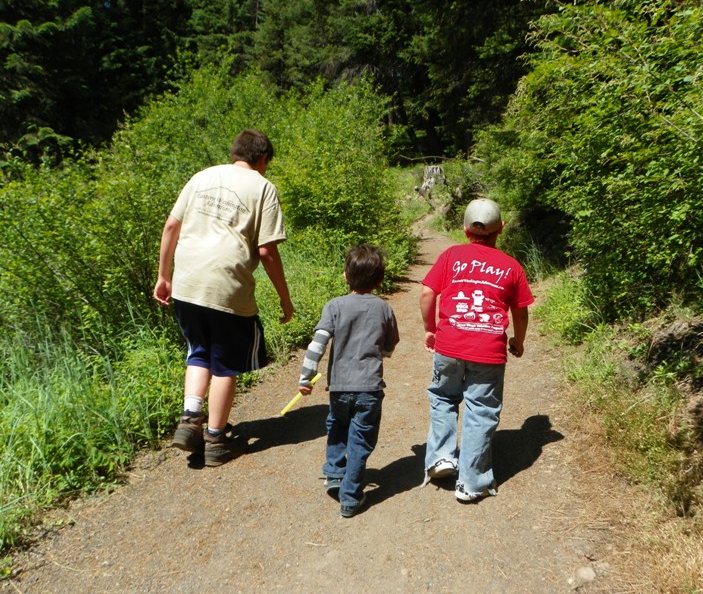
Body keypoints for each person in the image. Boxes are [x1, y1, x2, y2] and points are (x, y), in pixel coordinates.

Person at [154, 129, 294, 467]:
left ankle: (190, 421)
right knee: (225, 363)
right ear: (262, 159)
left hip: (187, 282)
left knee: (198, 351)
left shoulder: (202, 176)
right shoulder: (263, 187)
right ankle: (215, 440)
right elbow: (266, 251)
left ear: (235, 152)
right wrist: (284, 299)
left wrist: (163, 275)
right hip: (226, 285)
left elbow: (171, 227)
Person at [419, 198, 535, 501]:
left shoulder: (451, 256)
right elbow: (520, 311)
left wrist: (430, 328)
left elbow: (427, 292)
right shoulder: (511, 266)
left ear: (464, 229)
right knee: (481, 410)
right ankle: (471, 483)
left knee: (443, 397)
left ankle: (441, 458)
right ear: (501, 228)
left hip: (449, 345)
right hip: (488, 351)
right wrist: (518, 341)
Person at [297, 244, 400, 517]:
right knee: (361, 439)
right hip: (369, 389)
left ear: (345, 276)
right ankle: (351, 496)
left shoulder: (334, 306)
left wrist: (305, 377)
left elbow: (317, 344)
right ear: (379, 280)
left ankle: (334, 472)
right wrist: (382, 353)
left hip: (339, 388)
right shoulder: (384, 309)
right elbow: (391, 344)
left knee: (337, 425)